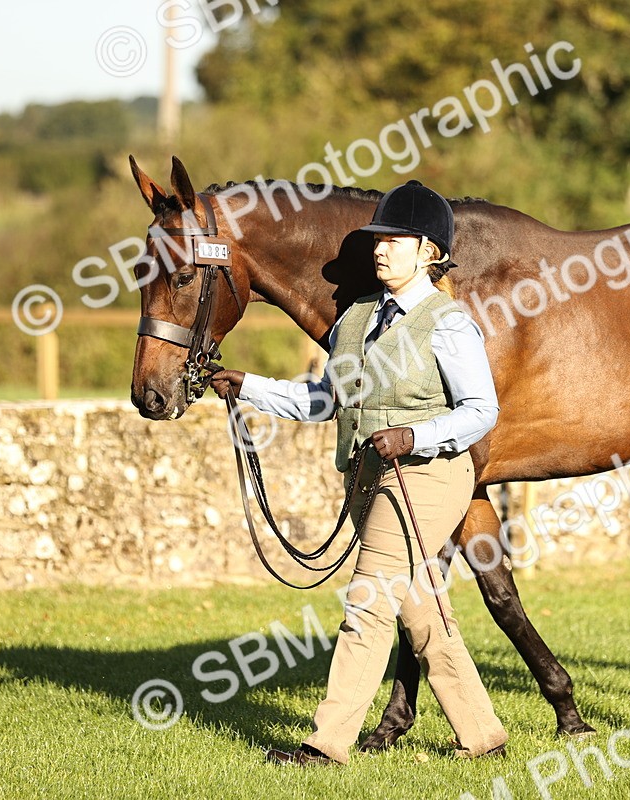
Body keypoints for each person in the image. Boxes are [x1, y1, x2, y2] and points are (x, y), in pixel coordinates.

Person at [209, 180, 508, 766]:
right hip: (371, 477)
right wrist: (248, 386)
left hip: (430, 476)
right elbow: (326, 400)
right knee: (423, 608)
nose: (380, 249)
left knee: (368, 601)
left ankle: (327, 744)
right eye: (378, 239)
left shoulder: (449, 323)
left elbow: (482, 411)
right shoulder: (356, 319)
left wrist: (413, 435)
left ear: (429, 251)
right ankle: (483, 735)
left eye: (394, 240)